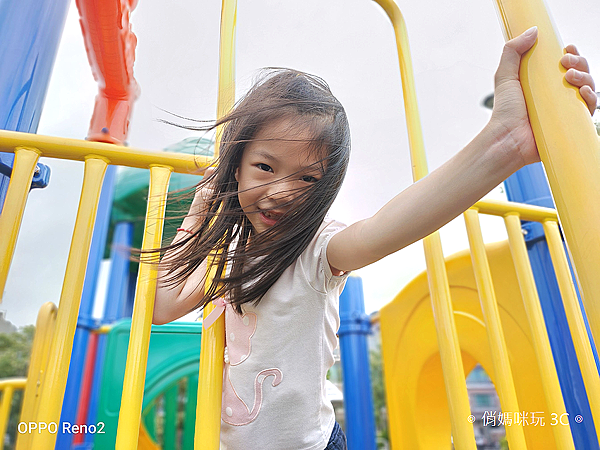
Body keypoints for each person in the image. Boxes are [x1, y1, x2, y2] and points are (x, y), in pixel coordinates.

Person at [152, 27, 596, 450]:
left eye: (307, 178)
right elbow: (162, 304)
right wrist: (203, 204)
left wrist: (504, 145)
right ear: (236, 163)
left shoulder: (315, 252)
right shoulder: (232, 255)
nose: (281, 192)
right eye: (265, 167)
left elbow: (387, 227)